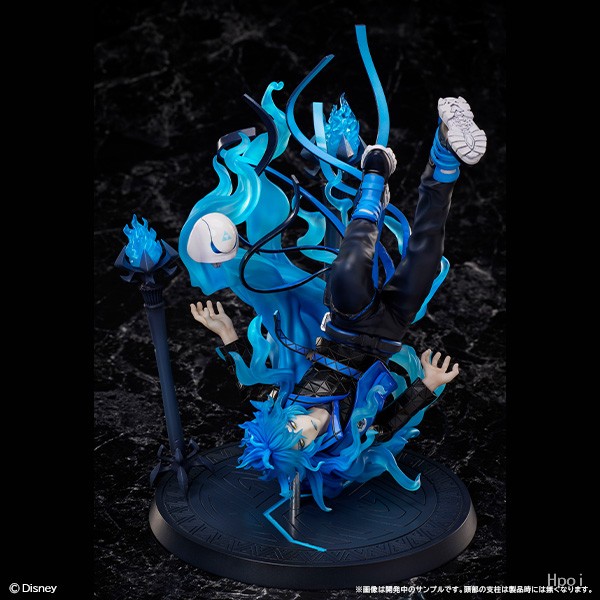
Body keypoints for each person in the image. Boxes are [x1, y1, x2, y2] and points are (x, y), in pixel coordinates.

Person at [187, 96, 486, 508]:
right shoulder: (351, 435)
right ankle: (445, 149)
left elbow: (245, 389)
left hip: (346, 323)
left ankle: (374, 177)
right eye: (301, 439)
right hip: (389, 333)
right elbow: (393, 419)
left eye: (290, 427)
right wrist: (428, 384)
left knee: (346, 269)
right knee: (426, 254)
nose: (301, 426)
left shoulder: (279, 402)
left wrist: (226, 333)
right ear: (309, 454)